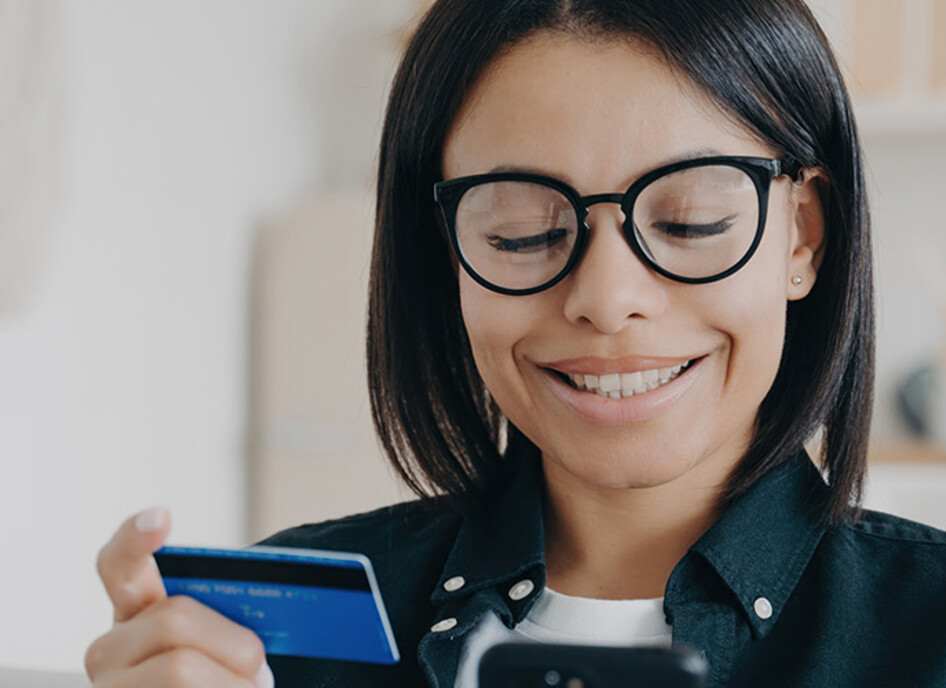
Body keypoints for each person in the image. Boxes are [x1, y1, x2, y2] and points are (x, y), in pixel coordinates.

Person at [85, 1, 946, 686]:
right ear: (443, 258)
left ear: (802, 236)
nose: (606, 302)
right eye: (523, 233)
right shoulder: (268, 641)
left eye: (690, 221)